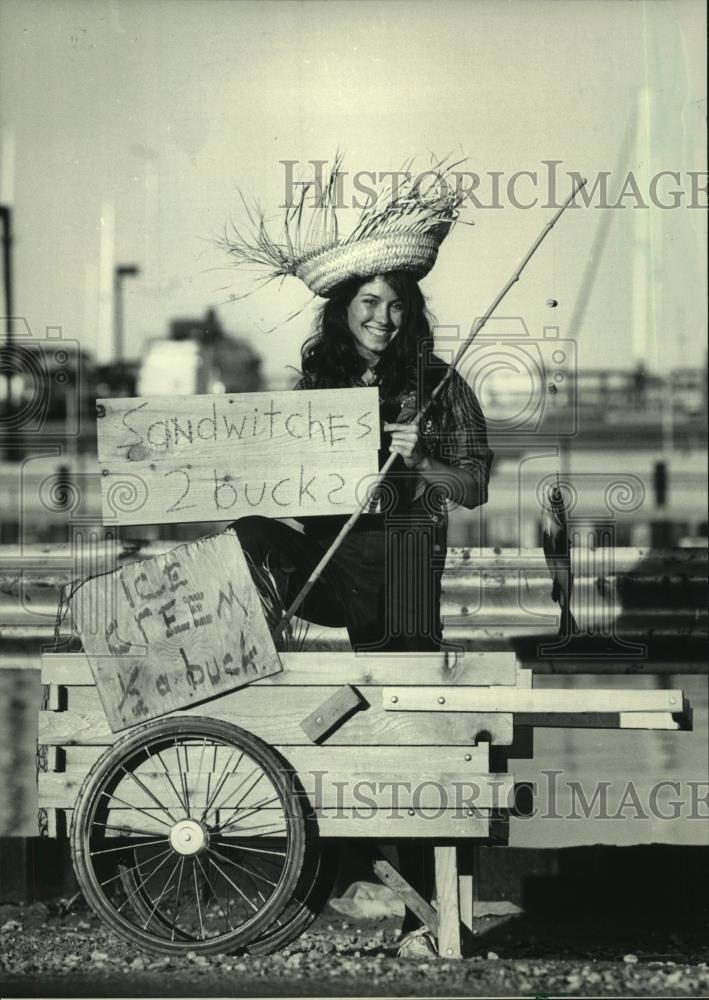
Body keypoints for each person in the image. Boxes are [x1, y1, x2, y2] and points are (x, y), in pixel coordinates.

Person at [224, 160, 493, 955]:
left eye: (395, 306)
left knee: (402, 728)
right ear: (344, 311)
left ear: (412, 317)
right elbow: (289, 487)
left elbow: (472, 486)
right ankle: (246, 672)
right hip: (335, 566)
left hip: (405, 569)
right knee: (244, 531)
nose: (382, 317)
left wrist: (414, 463)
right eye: (368, 304)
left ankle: (420, 909)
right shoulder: (318, 389)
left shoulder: (439, 386)